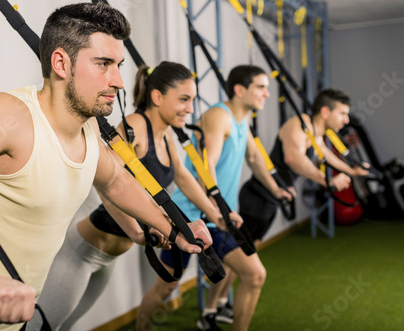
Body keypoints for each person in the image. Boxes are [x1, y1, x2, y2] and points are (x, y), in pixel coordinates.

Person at [0, 3, 213, 331]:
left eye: (119, 65)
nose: (119, 81)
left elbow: (114, 181)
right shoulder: (8, 117)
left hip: (10, 323)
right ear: (61, 63)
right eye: (104, 64)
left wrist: (172, 226)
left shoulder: (89, 129)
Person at [26, 61, 242, 331]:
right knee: (41, 327)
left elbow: (184, 178)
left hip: (108, 258)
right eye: (184, 100)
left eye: (192, 100)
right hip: (81, 254)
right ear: (157, 97)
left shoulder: (164, 135)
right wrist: (136, 232)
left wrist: (217, 216)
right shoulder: (135, 126)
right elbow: (107, 185)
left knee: (66, 326)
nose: (190, 109)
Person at [135, 65, 292, 331]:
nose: (267, 93)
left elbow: (253, 158)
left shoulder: (242, 121)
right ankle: (141, 327)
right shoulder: (220, 116)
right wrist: (218, 208)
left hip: (213, 215)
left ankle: (211, 313)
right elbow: (207, 165)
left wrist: (276, 189)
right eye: (261, 87)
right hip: (191, 214)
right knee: (166, 287)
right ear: (240, 90)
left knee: (253, 275)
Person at [239, 88, 369, 245]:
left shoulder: (315, 132)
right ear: (325, 112)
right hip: (258, 196)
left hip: (273, 197)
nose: (346, 120)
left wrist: (351, 171)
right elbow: (293, 158)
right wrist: (327, 180)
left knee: (249, 249)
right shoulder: (300, 125)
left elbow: (325, 153)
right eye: (342, 114)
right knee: (240, 254)